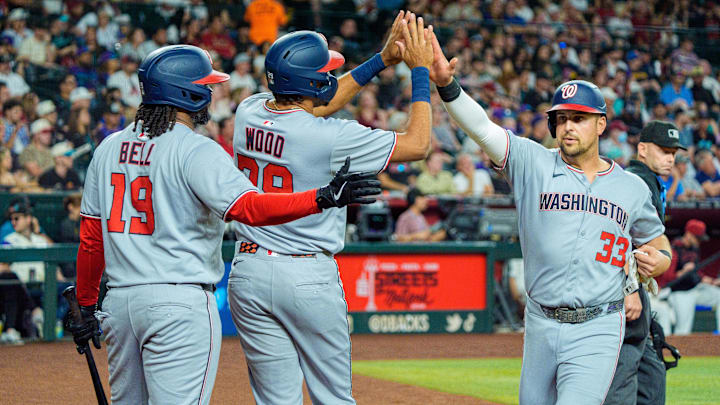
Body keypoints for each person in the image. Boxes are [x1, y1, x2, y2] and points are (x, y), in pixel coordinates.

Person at [66, 44, 380, 405]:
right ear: (188, 92)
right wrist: (321, 197)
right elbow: (250, 208)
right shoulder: (195, 149)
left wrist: (88, 303)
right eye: (206, 85)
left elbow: (92, 239)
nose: (211, 92)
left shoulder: (107, 148)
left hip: (120, 304)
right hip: (178, 303)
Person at [429, 33, 671, 405]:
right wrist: (447, 85)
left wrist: (661, 260)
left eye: (579, 118)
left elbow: (659, 244)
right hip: (540, 323)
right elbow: (481, 128)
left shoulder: (631, 187)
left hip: (599, 324)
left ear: (601, 125)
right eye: (561, 119)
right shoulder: (532, 162)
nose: (568, 126)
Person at [228, 12, 431, 404]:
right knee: (333, 399)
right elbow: (419, 144)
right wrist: (418, 72)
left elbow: (316, 102)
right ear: (314, 82)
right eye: (325, 72)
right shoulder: (331, 137)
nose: (330, 78)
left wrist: (382, 60)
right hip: (307, 273)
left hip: (248, 270)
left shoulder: (248, 111)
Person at [606, 120, 683, 405]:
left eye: (673, 152)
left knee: (651, 376)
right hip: (626, 291)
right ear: (642, 149)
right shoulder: (636, 181)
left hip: (636, 290)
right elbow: (619, 237)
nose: (670, 158)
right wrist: (632, 289)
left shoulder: (649, 180)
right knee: (624, 375)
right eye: (663, 151)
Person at [657, 219, 720, 335]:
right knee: (683, 331)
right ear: (689, 234)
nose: (699, 241)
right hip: (680, 292)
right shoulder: (674, 249)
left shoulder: (694, 249)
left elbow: (697, 274)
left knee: (718, 295)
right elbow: (666, 277)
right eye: (698, 238)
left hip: (696, 289)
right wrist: (683, 272)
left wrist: (712, 282)